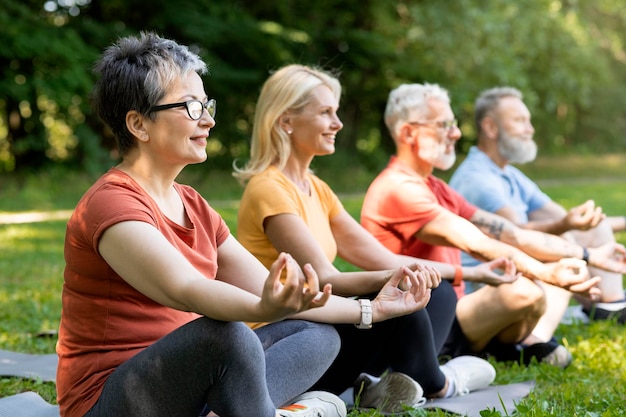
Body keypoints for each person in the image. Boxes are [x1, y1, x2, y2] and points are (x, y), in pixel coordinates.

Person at [56, 33, 434, 417]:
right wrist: (263, 305)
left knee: (315, 334)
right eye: (190, 107)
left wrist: (371, 311)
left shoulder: (193, 205)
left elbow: (274, 286)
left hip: (189, 390)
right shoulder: (112, 203)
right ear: (138, 124)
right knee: (226, 335)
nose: (208, 119)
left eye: (206, 105)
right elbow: (185, 289)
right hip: (111, 401)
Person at [233, 64, 500, 414]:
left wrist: (472, 272)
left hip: (321, 326)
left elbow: (381, 259)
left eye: (337, 112)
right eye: (326, 113)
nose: (338, 123)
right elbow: (326, 279)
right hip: (288, 344)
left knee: (440, 294)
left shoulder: (318, 189)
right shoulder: (268, 188)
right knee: (400, 305)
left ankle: (383, 385)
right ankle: (438, 383)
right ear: (286, 122)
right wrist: (394, 282)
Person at [359, 83, 626, 369]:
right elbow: (480, 244)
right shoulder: (399, 189)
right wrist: (548, 271)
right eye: (443, 124)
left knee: (531, 289)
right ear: (408, 132)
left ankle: (500, 348)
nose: (456, 133)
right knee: (526, 290)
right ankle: (489, 350)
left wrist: (588, 255)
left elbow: (512, 233)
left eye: (454, 124)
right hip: (423, 316)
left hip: (454, 306)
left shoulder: (439, 188)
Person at [449, 86, 626, 324]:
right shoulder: (477, 179)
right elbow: (518, 236)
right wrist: (566, 230)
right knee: (562, 253)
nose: (529, 129)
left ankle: (610, 305)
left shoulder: (509, 174)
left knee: (595, 228)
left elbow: (566, 220)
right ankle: (540, 337)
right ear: (491, 127)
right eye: (520, 121)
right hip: (485, 282)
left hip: (516, 261)